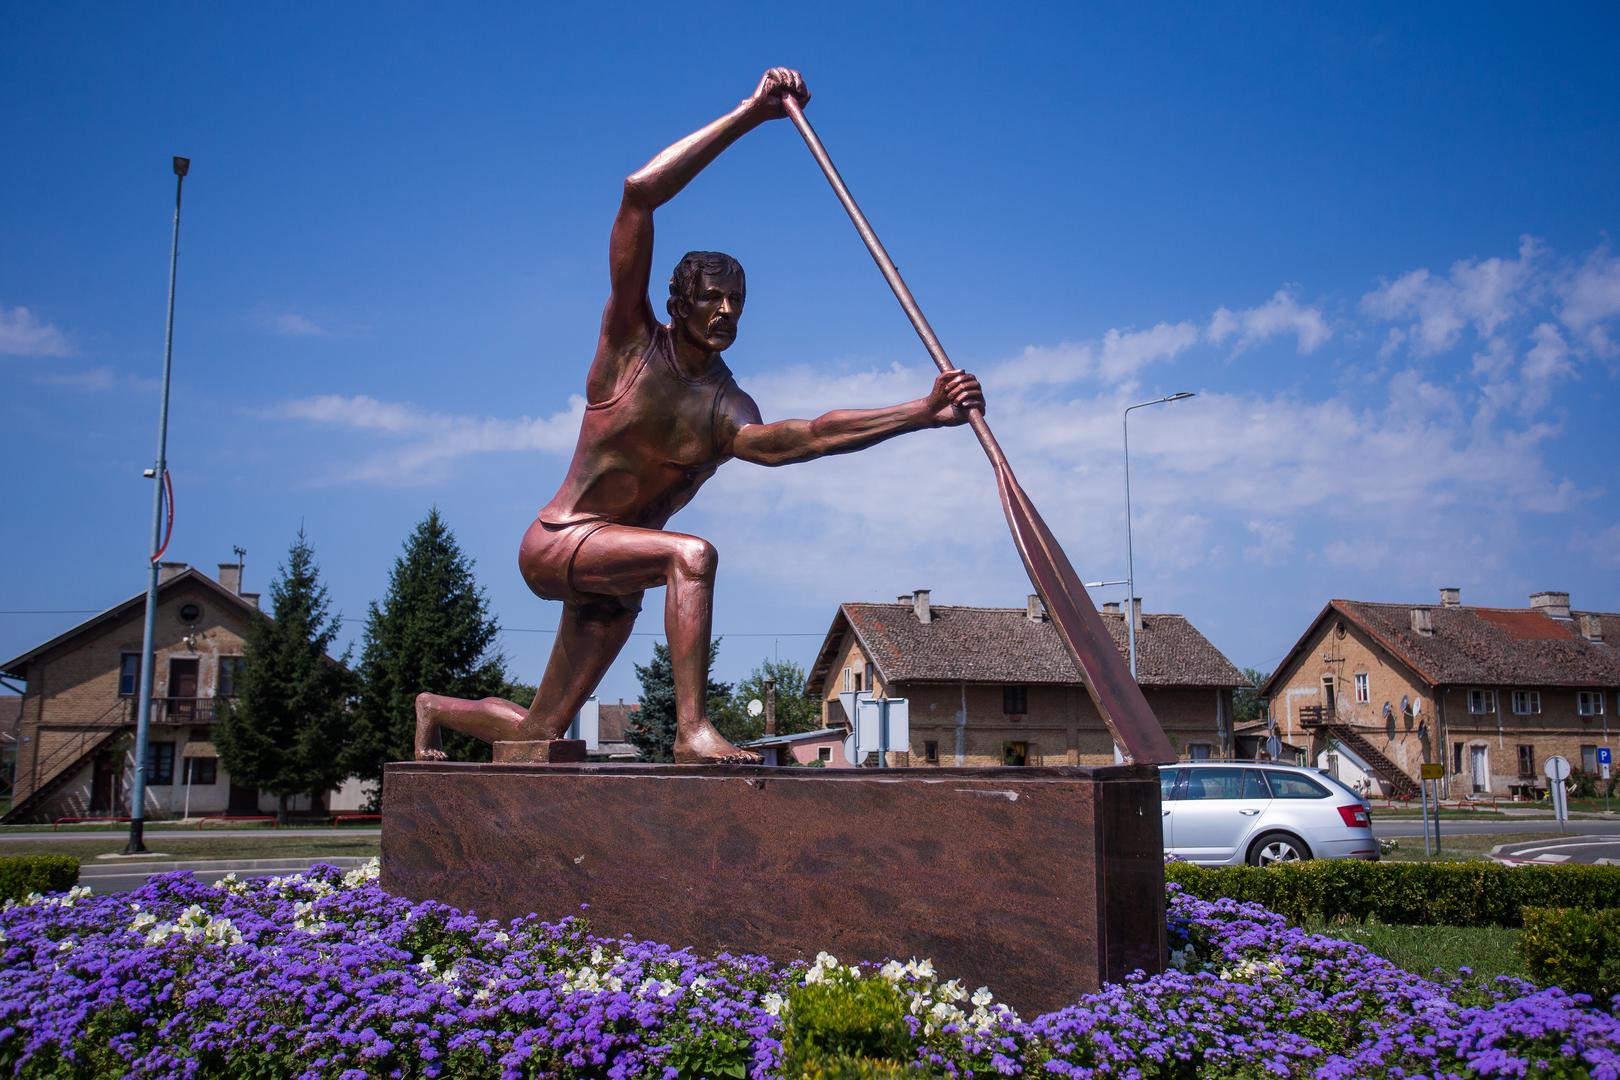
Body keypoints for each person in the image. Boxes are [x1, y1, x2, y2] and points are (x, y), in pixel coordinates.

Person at [415, 68, 984, 764]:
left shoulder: (726, 405)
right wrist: (751, 113)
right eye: (713, 298)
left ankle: (433, 710)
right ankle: (692, 730)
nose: (726, 311)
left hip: (616, 580)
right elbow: (637, 194)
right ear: (679, 302)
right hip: (559, 542)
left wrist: (920, 412)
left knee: (541, 731)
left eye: (736, 301)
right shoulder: (629, 347)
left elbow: (802, 437)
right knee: (691, 554)